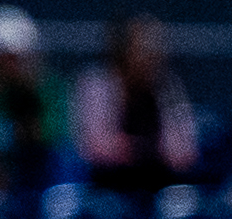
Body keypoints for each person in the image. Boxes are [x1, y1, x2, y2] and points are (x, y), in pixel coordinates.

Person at [72, 15, 198, 200]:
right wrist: (146, 149)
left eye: (158, 47)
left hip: (159, 185)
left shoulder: (168, 87)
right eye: (145, 48)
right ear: (122, 51)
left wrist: (142, 150)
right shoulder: (97, 83)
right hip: (107, 187)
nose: (154, 55)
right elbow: (96, 148)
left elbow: (185, 152)